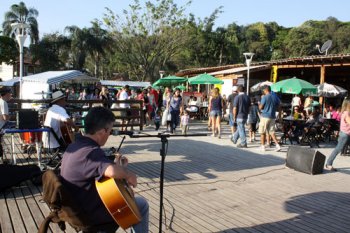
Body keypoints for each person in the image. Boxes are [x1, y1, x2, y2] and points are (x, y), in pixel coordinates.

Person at [60, 107, 149, 232]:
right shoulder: (91, 152)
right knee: (141, 205)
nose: (109, 134)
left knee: (134, 202)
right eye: (110, 131)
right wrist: (128, 175)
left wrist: (119, 167)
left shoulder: (76, 145)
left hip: (79, 204)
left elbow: (98, 170)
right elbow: (111, 171)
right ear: (102, 131)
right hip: (90, 214)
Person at [325, 99, 350, 171]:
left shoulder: (345, 112)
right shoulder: (346, 113)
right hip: (345, 135)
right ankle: (328, 163)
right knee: (338, 149)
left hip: (346, 134)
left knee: (338, 149)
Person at [258, 86, 281, 151]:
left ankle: (262, 146)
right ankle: (277, 145)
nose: (263, 92)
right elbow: (279, 107)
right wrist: (279, 117)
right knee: (272, 132)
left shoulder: (264, 97)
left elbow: (260, 107)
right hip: (272, 116)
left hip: (265, 116)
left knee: (262, 132)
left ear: (265, 90)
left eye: (263, 91)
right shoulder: (275, 97)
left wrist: (259, 104)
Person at [0, 87, 13, 161]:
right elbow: (5, 117)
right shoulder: (3, 102)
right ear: (7, 94)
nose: (11, 95)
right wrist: (10, 116)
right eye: (10, 93)